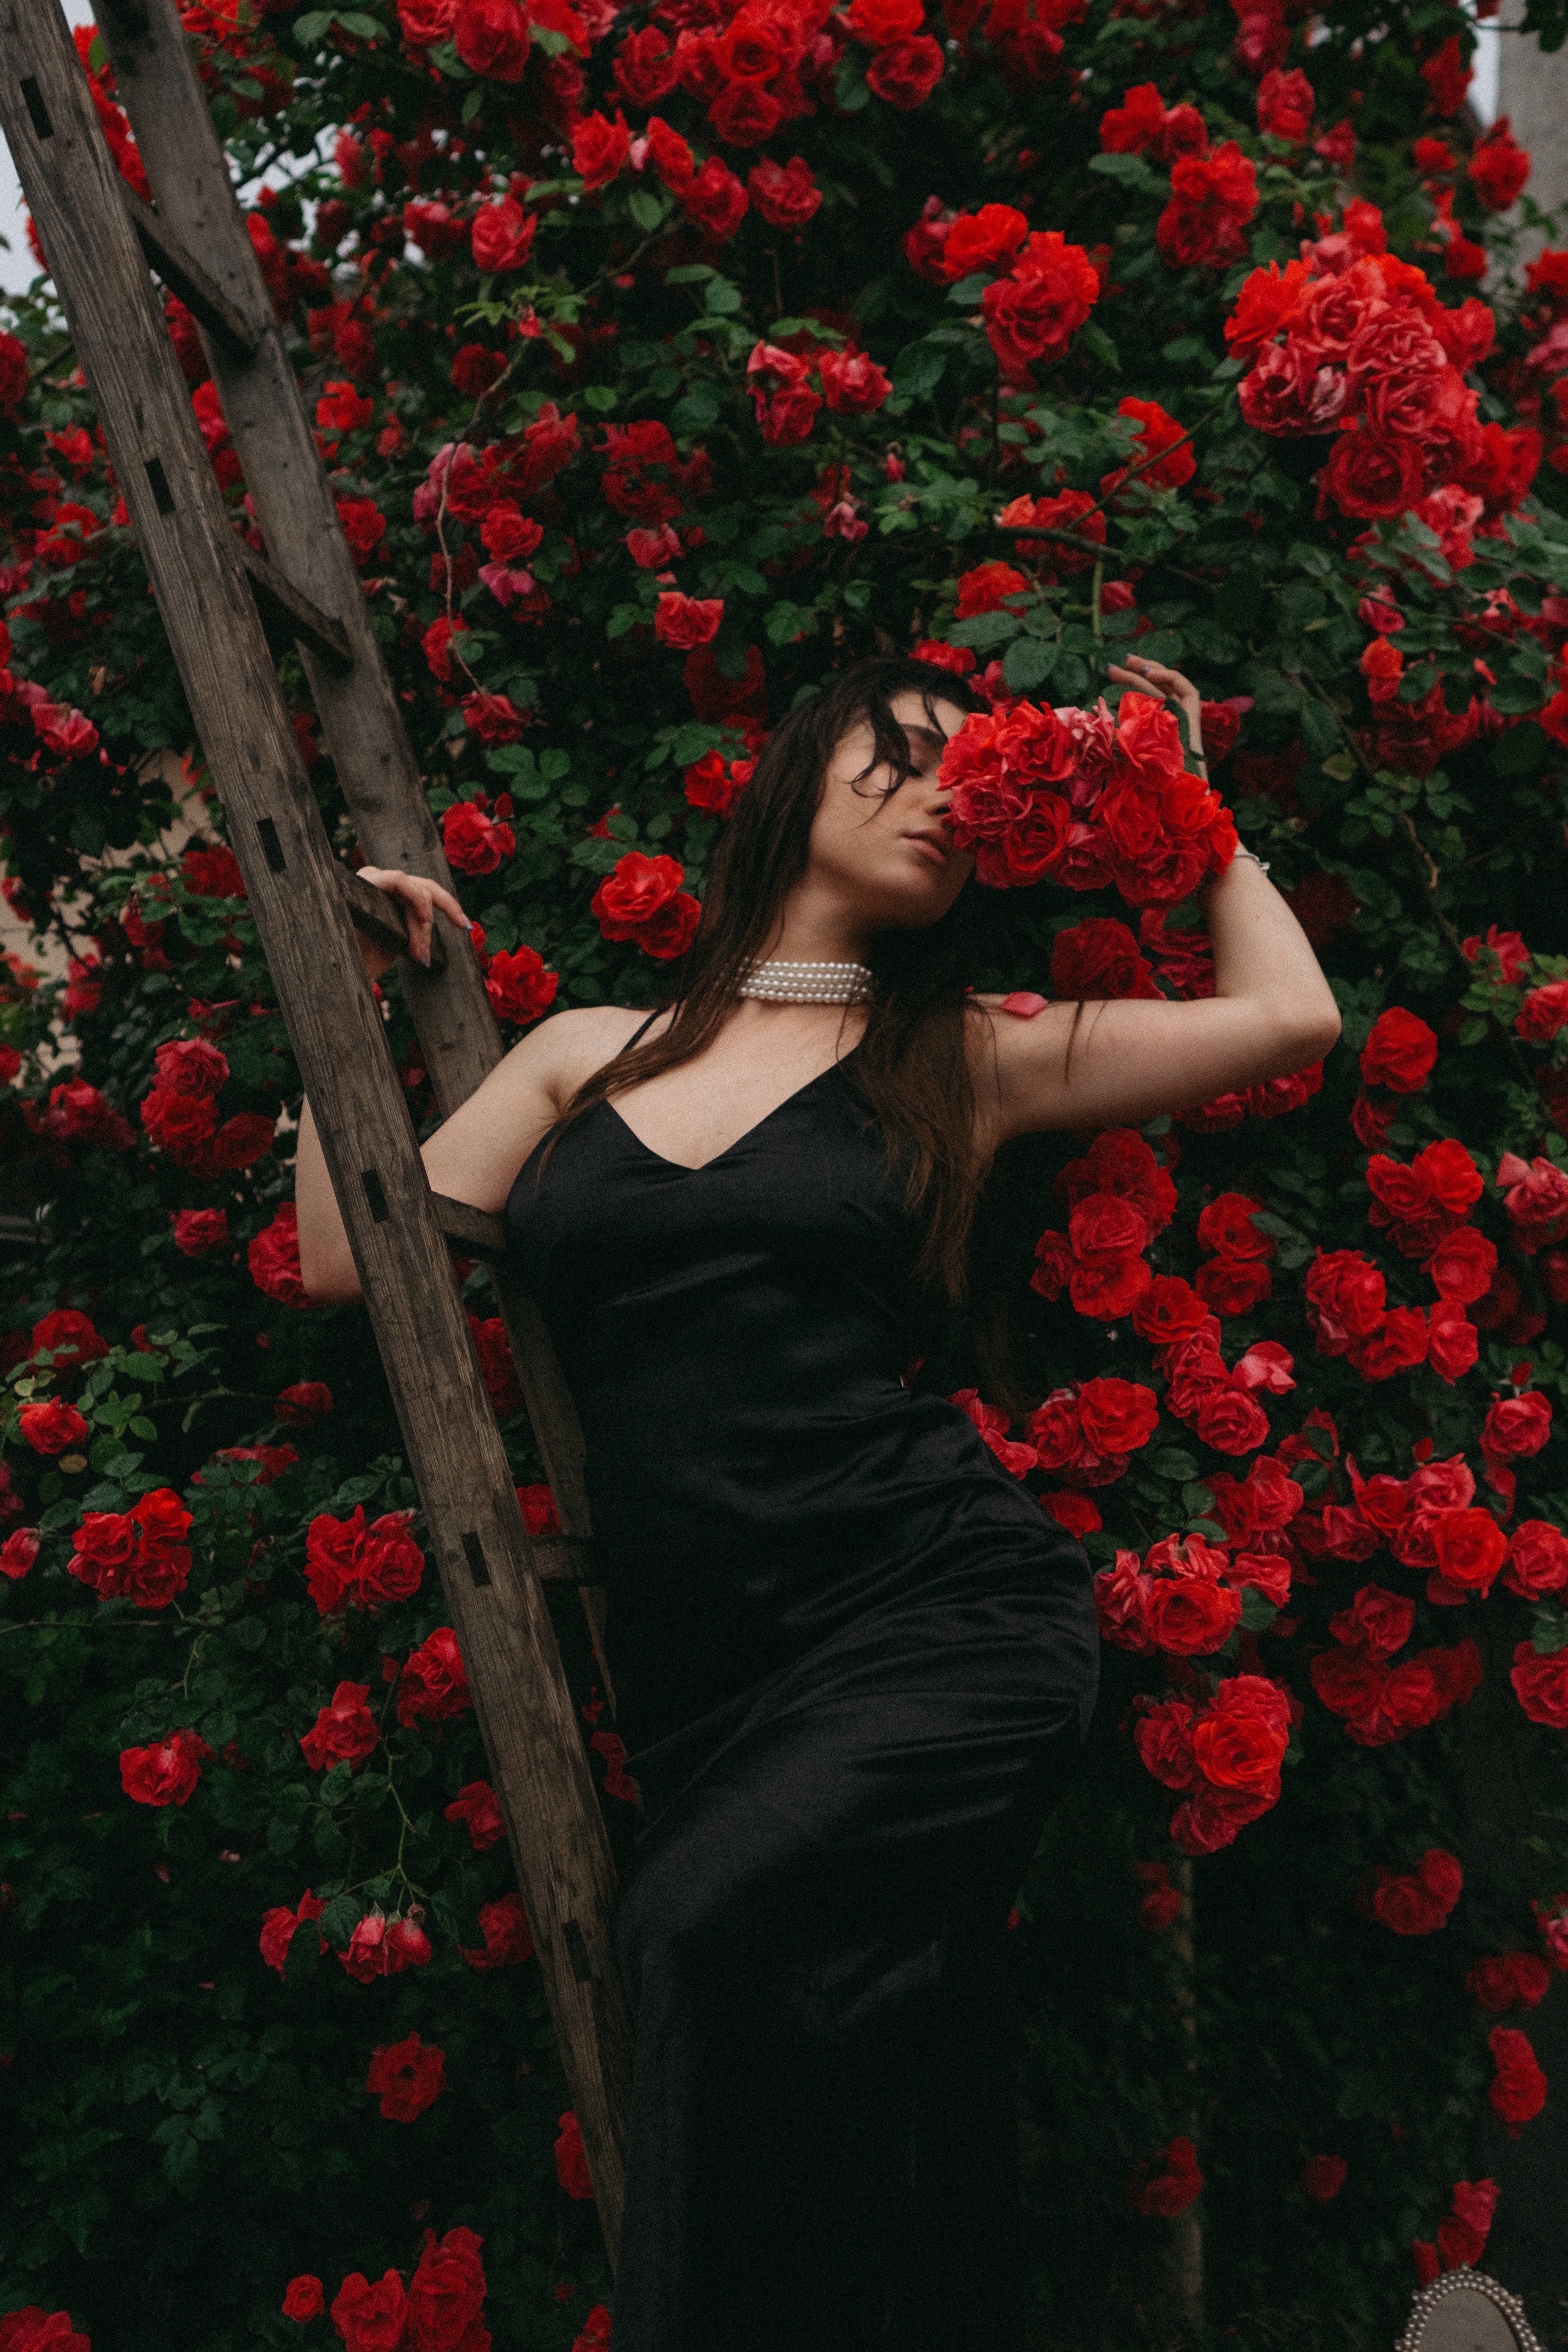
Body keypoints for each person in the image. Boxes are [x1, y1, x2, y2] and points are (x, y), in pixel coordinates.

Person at [295, 652, 1340, 2351]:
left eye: (971, 783)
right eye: (905, 752)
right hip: (715, 1676)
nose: (943, 795)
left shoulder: (963, 1059)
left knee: (697, 1931)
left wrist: (1186, 806)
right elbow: (350, 1256)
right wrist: (337, 1005)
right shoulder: (582, 1054)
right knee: (845, 2056)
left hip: (943, 1620)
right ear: (799, 768)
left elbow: (1286, 1020)